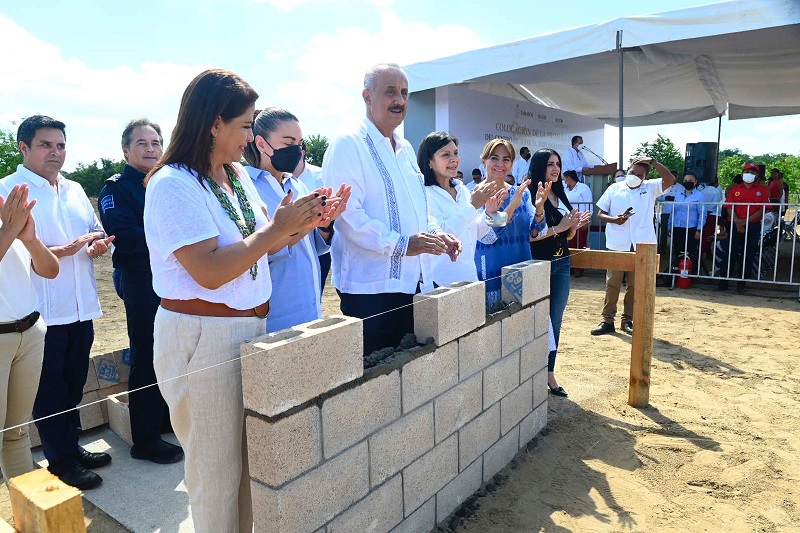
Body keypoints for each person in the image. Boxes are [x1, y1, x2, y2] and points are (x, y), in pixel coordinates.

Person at [143, 69, 332, 532]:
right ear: (213, 124)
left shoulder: (234, 177)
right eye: (246, 126)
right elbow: (207, 271)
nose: (251, 138)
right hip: (203, 335)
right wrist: (275, 229)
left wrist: (304, 223)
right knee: (214, 474)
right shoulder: (173, 184)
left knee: (247, 468)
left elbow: (264, 247)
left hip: (246, 329)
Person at [1, 116, 115, 490]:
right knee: (48, 391)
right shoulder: (9, 191)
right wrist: (63, 250)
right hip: (41, 310)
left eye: (61, 145)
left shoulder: (75, 188)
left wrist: (98, 243)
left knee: (73, 384)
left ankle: (72, 445)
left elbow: (93, 230)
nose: (56, 153)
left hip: (82, 303)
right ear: (24, 148)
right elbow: (16, 249)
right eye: (46, 145)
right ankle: (61, 462)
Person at [321, 63, 461, 356]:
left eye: (404, 93)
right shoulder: (349, 144)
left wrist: (437, 234)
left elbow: (418, 208)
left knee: (407, 379)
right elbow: (347, 216)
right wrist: (402, 245)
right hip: (370, 291)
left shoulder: (406, 148)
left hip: (413, 284)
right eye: (390, 92)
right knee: (375, 385)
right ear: (367, 96)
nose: (399, 100)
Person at [97, 119, 184, 465]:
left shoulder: (168, 181)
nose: (151, 150)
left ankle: (163, 420)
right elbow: (125, 236)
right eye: (142, 144)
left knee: (172, 350)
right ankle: (144, 440)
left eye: (156, 143)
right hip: (139, 278)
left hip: (172, 278)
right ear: (126, 150)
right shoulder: (116, 189)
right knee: (147, 354)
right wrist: (175, 240)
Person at [243, 107, 349, 332]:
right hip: (274, 310)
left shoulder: (297, 185)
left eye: (300, 143)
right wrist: (297, 227)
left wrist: (325, 224)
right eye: (288, 143)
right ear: (261, 143)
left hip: (309, 304)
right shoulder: (247, 189)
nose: (297, 151)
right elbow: (256, 253)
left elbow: (313, 247)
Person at [0, 183, 58, 487]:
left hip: (30, 332)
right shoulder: (9, 217)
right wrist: (9, 231)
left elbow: (50, 270)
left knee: (17, 432)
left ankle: (30, 515)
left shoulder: (10, 207)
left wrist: (30, 237)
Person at [528, 150, 591, 397]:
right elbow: (531, 236)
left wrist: (571, 228)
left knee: (555, 320)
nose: (555, 168)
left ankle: (549, 372)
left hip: (562, 263)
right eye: (550, 164)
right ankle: (533, 370)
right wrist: (560, 228)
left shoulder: (560, 194)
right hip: (539, 264)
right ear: (539, 167)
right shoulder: (533, 195)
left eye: (558, 164)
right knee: (537, 320)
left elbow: (566, 236)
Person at [591, 157, 676, 336]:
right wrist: (615, 220)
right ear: (628, 169)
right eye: (632, 172)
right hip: (617, 243)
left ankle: (627, 319)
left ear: (645, 177)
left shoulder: (651, 188)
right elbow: (600, 213)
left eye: (639, 175)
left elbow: (670, 180)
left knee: (634, 285)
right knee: (612, 283)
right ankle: (607, 320)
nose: (634, 177)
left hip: (641, 244)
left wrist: (653, 161)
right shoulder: (614, 188)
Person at [417, 132, 506, 287]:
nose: (454, 160)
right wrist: (473, 207)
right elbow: (441, 234)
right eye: (446, 155)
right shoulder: (424, 194)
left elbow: (476, 233)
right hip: (441, 283)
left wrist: (488, 213)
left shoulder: (462, 190)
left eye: (456, 153)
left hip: (469, 278)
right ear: (429, 161)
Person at [474, 139, 545, 310]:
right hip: (490, 276)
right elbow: (487, 237)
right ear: (484, 161)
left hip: (521, 271)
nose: (500, 164)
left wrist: (540, 209)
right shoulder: (473, 196)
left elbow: (537, 233)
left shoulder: (522, 193)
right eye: (494, 158)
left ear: (512, 164)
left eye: (506, 159)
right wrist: (512, 205)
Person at [715, 162, 770, 294]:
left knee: (748, 254)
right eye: (747, 172)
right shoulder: (735, 189)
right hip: (735, 225)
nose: (749, 174)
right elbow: (729, 207)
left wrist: (744, 222)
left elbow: (762, 209)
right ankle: (724, 281)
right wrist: (738, 222)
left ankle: (742, 283)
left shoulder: (762, 190)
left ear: (757, 175)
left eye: (753, 172)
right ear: (742, 173)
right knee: (730, 252)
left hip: (752, 226)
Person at [294, 140, 331, 293]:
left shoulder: (321, 177)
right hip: (290, 249)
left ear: (302, 154)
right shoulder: (275, 178)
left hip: (319, 249)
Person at [665, 172, 705, 279]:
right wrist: (669, 225)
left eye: (690, 181)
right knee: (677, 251)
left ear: (696, 182)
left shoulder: (699, 196)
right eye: (686, 181)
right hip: (677, 227)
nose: (688, 183)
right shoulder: (678, 195)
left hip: (691, 228)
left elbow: (702, 214)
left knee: (691, 252)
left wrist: (699, 229)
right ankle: (677, 275)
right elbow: (673, 211)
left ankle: (692, 274)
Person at [563, 169, 593, 276]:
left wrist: (586, 221)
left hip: (581, 220)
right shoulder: (565, 189)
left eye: (564, 178)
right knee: (569, 245)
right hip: (567, 221)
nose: (563, 180)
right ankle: (571, 266)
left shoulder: (583, 188)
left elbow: (589, 205)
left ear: (569, 178)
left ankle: (579, 268)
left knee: (580, 244)